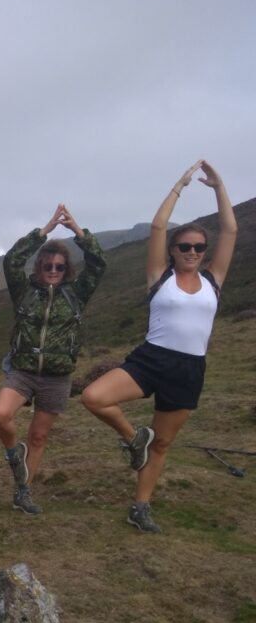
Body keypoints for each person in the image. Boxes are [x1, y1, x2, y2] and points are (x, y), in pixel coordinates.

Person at [82, 161, 236, 533]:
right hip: (152, 359)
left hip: (190, 368)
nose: (192, 251)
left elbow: (230, 229)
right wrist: (180, 185)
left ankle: (140, 507)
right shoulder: (160, 277)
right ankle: (134, 439)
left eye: (199, 247)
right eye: (184, 246)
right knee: (94, 397)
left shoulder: (213, 280)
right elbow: (157, 226)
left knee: (163, 443)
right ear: (172, 250)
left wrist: (219, 187)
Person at [0, 204, 106, 514]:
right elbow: (12, 260)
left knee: (39, 436)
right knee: (0, 414)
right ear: (39, 266)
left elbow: (98, 263)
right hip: (23, 371)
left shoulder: (76, 293)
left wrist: (78, 232)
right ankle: (14, 453)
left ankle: (23, 491)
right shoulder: (24, 291)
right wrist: (44, 231)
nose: (53, 270)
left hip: (57, 376)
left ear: (67, 269)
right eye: (48, 265)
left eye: (59, 266)